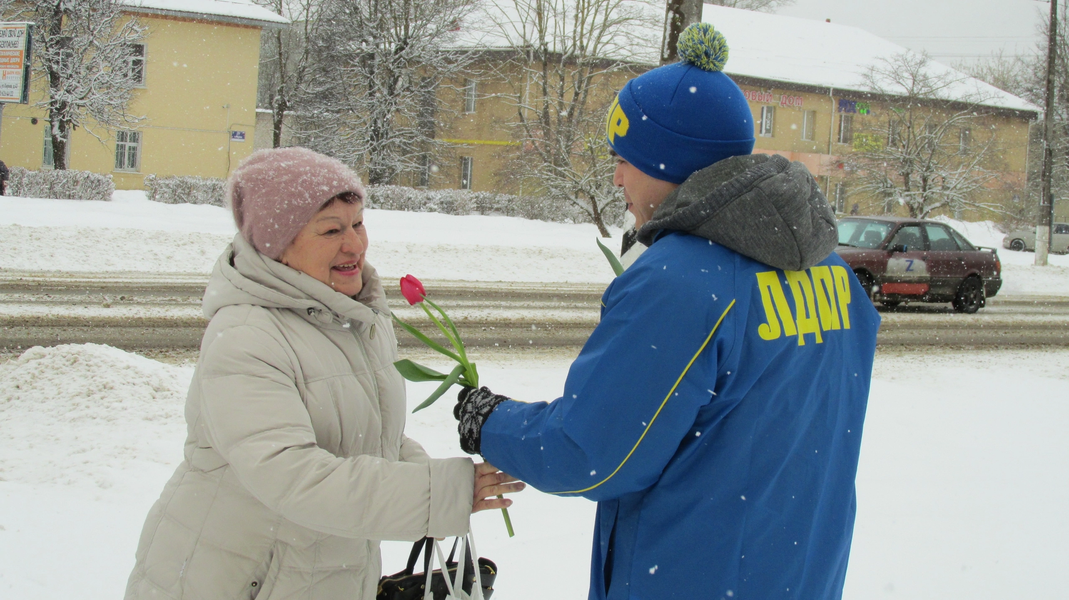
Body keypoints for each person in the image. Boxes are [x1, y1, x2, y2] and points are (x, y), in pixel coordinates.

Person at [453, 23, 881, 600]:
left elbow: (591, 455)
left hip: (690, 572)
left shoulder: (681, 282)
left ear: (669, 162)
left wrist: (492, 422)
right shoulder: (830, 270)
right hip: (796, 572)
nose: (616, 176)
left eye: (625, 157)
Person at [125, 147, 522, 600]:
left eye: (357, 223)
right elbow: (294, 476)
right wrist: (436, 494)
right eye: (332, 230)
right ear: (278, 245)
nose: (354, 244)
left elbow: (370, 438)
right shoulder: (246, 335)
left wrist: (440, 480)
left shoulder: (352, 317)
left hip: (322, 574)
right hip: (236, 579)